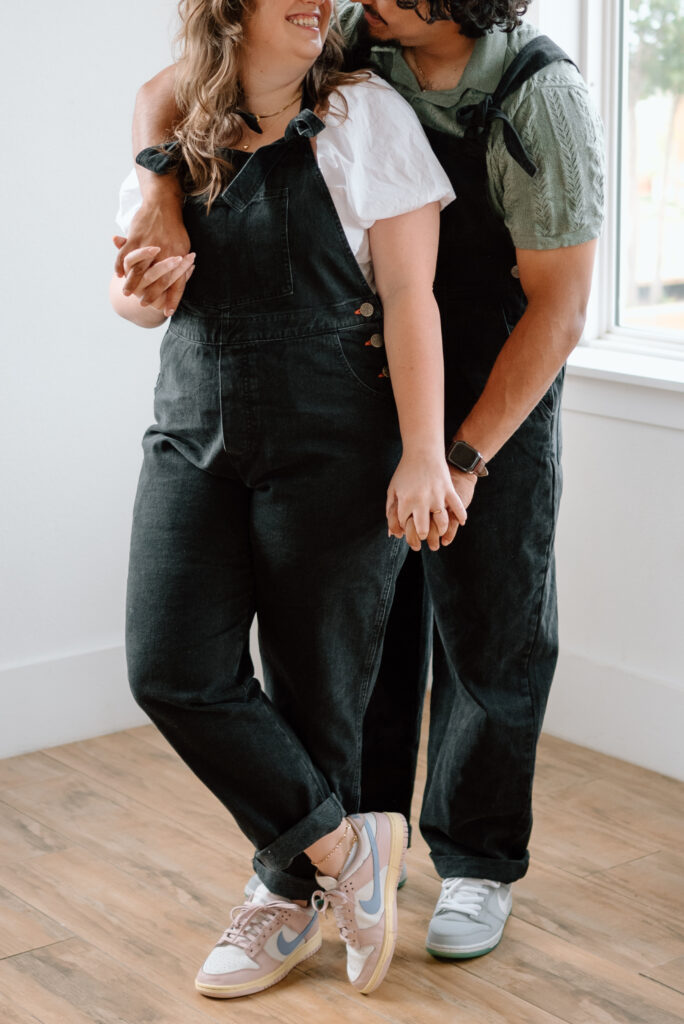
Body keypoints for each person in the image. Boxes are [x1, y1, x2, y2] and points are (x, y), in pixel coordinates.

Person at [115, 0, 604, 967]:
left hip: (494, 369)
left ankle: (475, 859)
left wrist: (453, 454)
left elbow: (559, 308)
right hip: (358, 374)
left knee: (492, 626)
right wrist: (159, 187)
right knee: (365, 650)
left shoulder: (534, 96)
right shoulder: (345, 35)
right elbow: (173, 85)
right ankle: (346, 848)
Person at [111, 0, 463, 1000]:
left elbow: (409, 299)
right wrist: (148, 279)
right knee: (170, 665)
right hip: (193, 429)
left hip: (336, 439)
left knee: (318, 690)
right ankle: (348, 850)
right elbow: (129, 297)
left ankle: (285, 892)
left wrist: (425, 453)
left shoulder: (364, 117)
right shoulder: (175, 130)